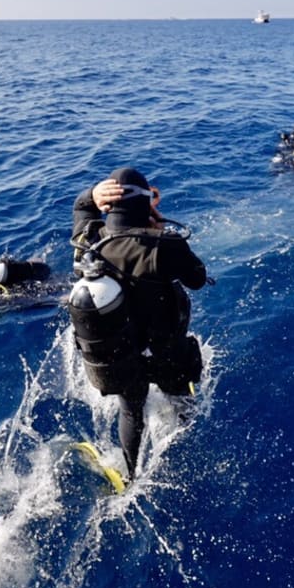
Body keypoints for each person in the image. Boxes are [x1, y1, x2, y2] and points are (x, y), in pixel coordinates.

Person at [67, 167, 208, 480]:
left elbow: (81, 207)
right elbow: (197, 278)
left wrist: (91, 195)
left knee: (131, 409)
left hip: (122, 353)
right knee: (180, 395)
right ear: (147, 206)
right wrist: (158, 229)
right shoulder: (164, 246)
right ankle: (186, 437)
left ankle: (130, 475)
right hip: (166, 349)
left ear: (108, 206)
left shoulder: (88, 241)